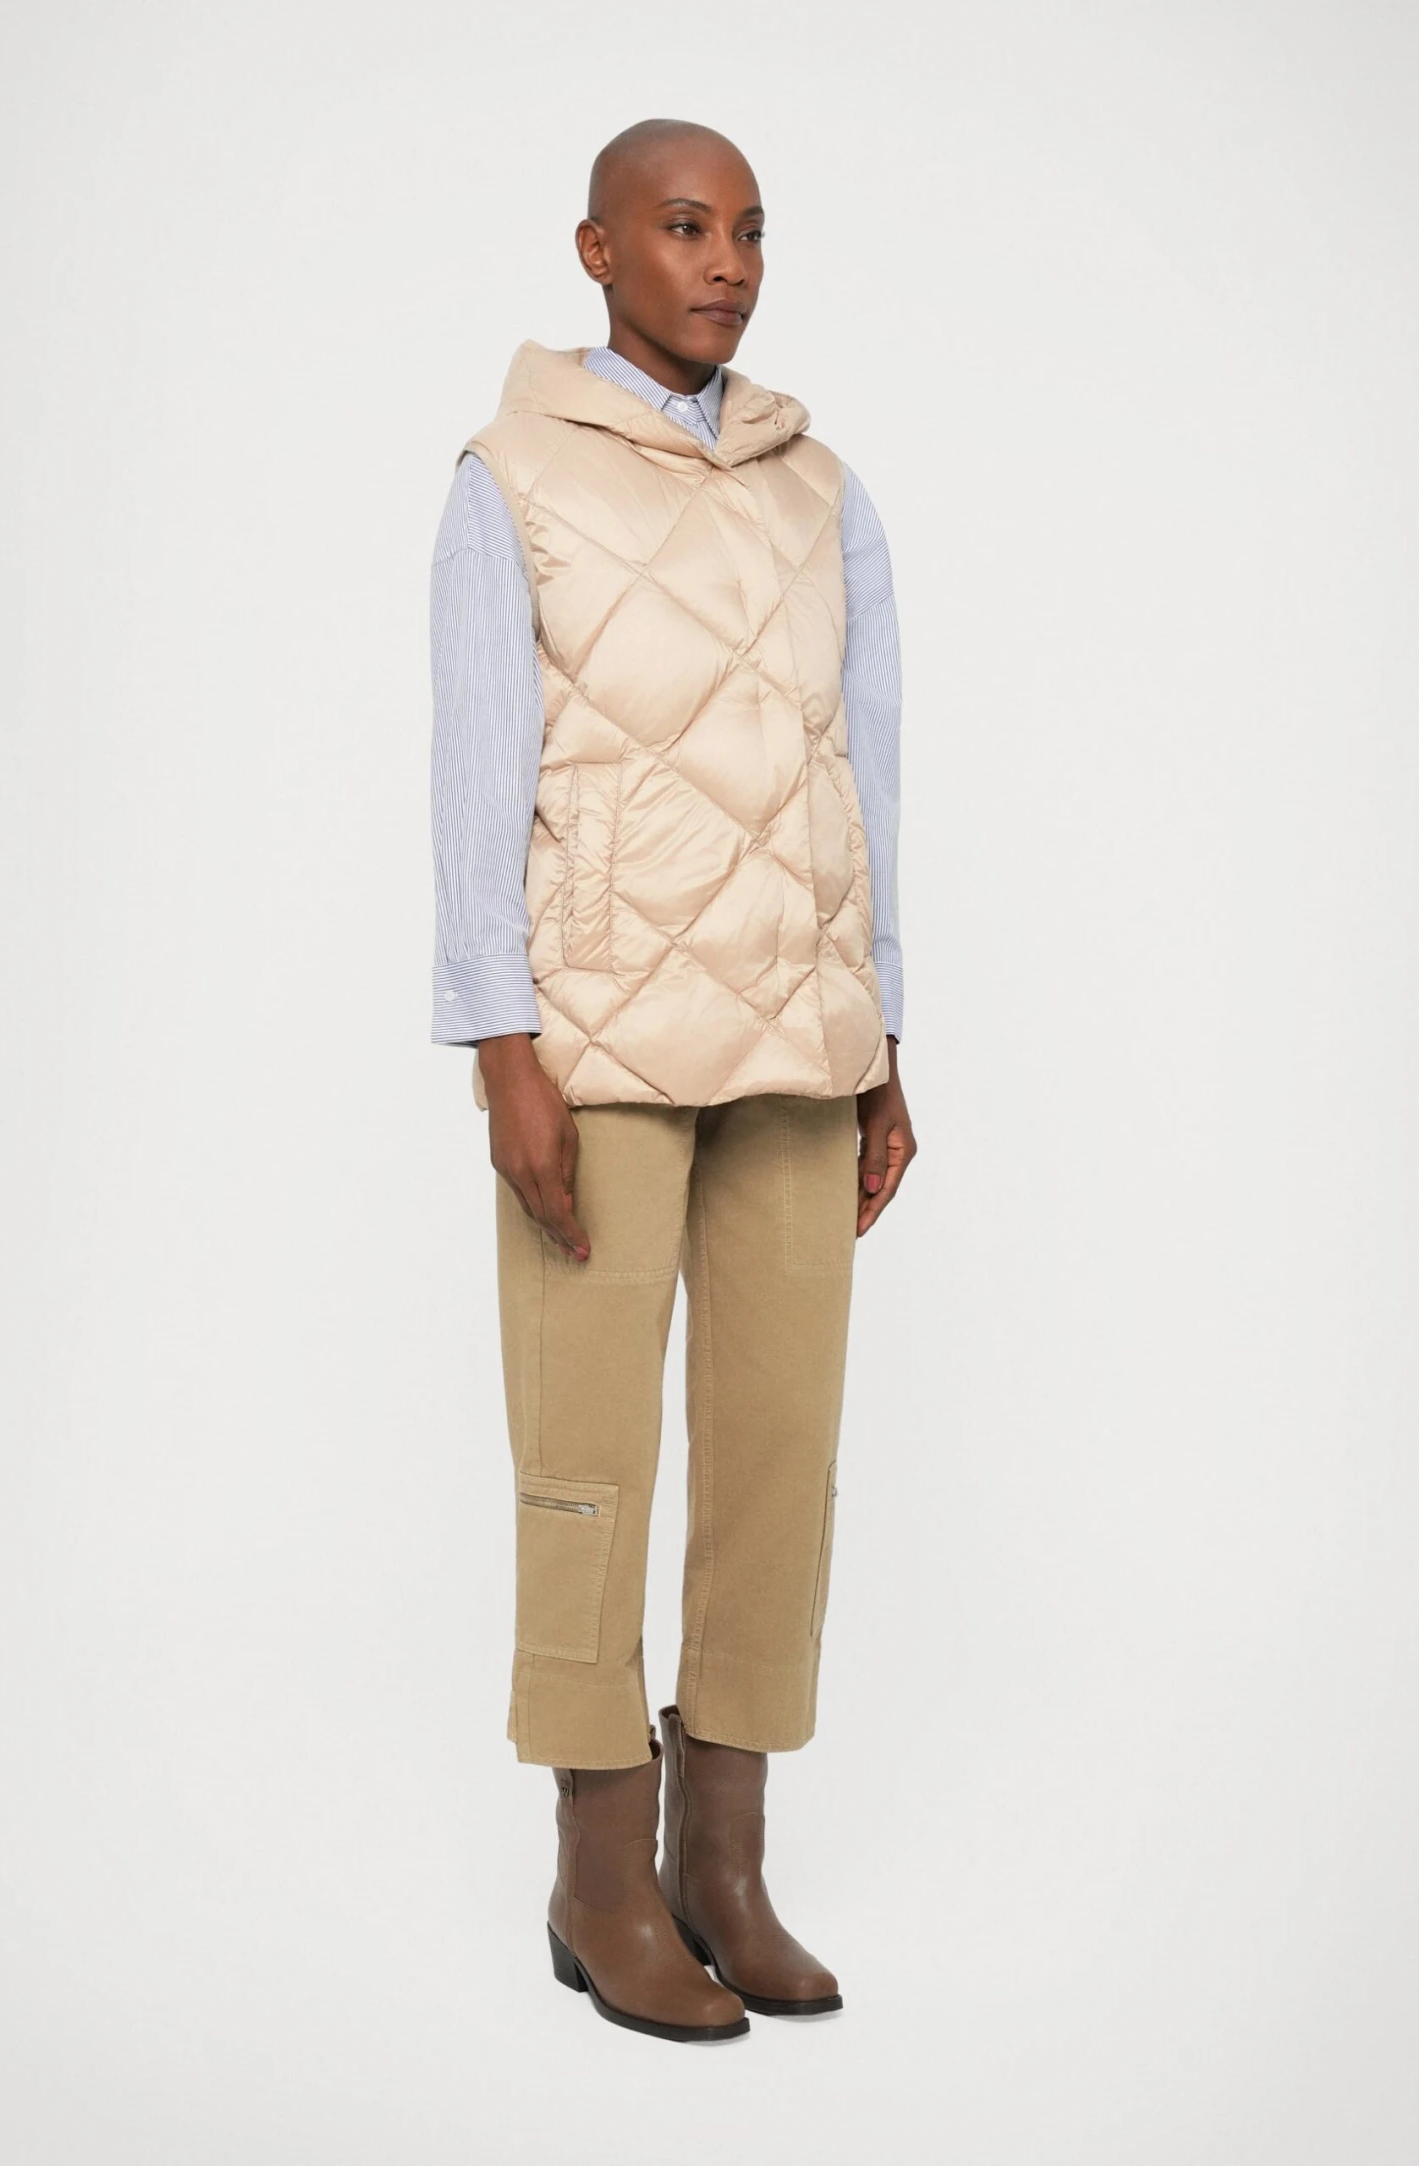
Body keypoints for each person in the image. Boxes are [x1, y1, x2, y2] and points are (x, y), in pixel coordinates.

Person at [428, 117, 916, 2044]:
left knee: (782, 1448)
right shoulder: (511, 477)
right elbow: (477, 771)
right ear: (598, 249)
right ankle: (596, 1868)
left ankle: (725, 1857)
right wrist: (502, 1046)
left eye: (751, 232)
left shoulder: (822, 490)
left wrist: (888, 1034)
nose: (727, 263)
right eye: (687, 227)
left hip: (802, 1037)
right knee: (588, 1461)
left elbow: (867, 769)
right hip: (598, 1045)